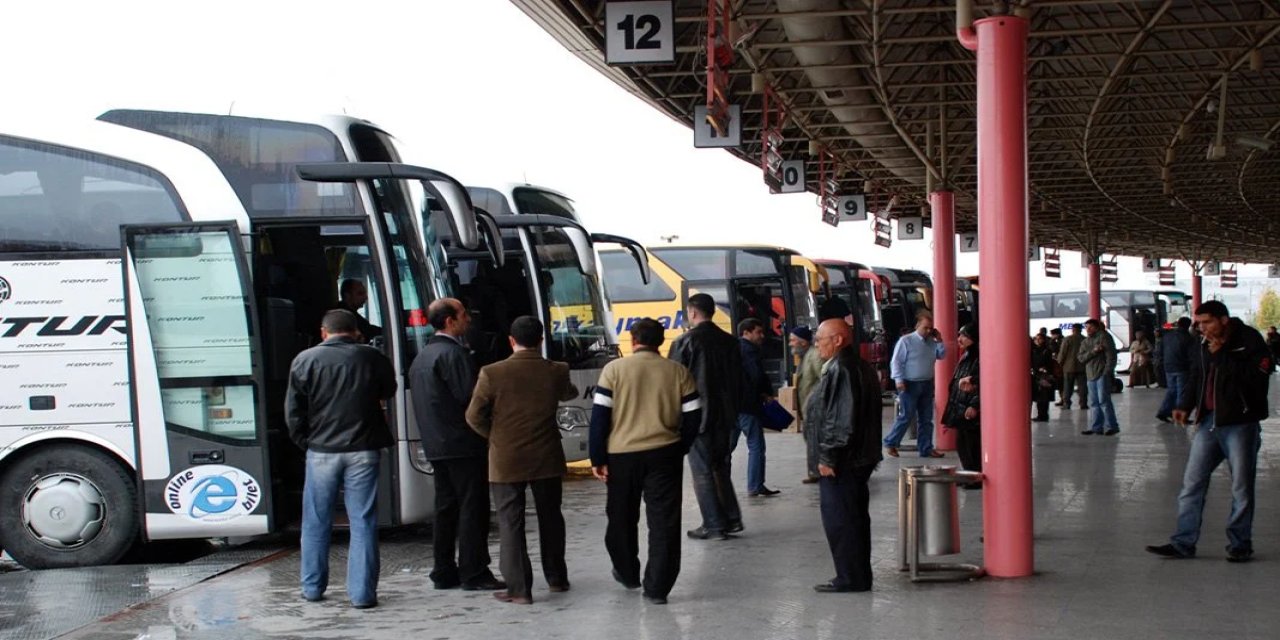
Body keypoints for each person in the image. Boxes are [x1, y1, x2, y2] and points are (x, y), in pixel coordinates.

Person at [285, 309, 397, 609]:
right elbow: (390, 389)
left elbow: (293, 413)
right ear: (355, 331)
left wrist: (307, 443)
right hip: (363, 449)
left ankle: (312, 588)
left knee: (316, 520)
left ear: (324, 332)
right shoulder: (370, 357)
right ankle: (361, 595)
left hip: (321, 451)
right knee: (362, 521)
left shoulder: (304, 360)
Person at [1146, 301, 1272, 563]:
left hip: (1240, 422)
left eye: (1207, 322)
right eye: (1199, 323)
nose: (1202, 328)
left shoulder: (1249, 339)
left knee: (1241, 487)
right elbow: (1197, 376)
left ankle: (1240, 544)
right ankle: (1183, 542)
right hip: (1209, 422)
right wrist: (1185, 405)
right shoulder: (1202, 343)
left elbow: (1255, 377)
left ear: (1224, 320)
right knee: (1192, 483)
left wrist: (1222, 354)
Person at [466, 316, 578, 605]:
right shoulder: (557, 370)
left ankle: (519, 589)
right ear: (541, 340)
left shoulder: (492, 372)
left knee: (510, 521)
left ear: (511, 341)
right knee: (551, 517)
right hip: (547, 455)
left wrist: (495, 436)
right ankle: (556, 578)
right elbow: (569, 393)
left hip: (506, 458)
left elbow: (473, 416)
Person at [590, 318, 702, 605]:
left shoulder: (613, 370)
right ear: (661, 342)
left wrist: (598, 457)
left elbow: (600, 418)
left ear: (632, 340)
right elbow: (693, 415)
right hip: (664, 454)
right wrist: (681, 447)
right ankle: (657, 587)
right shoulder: (678, 372)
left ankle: (628, 573)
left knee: (621, 517)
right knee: (664, 521)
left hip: (621, 456)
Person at [410, 298, 505, 592]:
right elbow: (471, 398)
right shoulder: (455, 355)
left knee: (446, 508)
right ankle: (474, 571)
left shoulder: (422, 356)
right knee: (472, 507)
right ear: (450, 321)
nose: (469, 320)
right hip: (463, 443)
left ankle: (443, 570)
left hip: (437, 443)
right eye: (464, 314)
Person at [808, 318, 882, 593]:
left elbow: (840, 421)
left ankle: (851, 577)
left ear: (838, 340)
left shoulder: (843, 369)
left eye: (820, 340)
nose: (817, 345)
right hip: (859, 457)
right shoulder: (857, 366)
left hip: (844, 460)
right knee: (854, 517)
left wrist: (828, 457)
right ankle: (857, 575)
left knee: (842, 519)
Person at [670, 294, 745, 541]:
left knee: (701, 471)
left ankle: (713, 525)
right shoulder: (730, 342)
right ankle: (732, 519)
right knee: (720, 468)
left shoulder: (684, 342)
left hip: (697, 417)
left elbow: (674, 384)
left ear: (692, 313)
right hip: (727, 415)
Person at [883, 310, 946, 458]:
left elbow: (942, 355)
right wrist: (898, 379)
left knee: (926, 418)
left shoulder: (932, 342)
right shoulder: (906, 341)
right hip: (909, 383)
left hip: (926, 383)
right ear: (917, 325)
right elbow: (896, 361)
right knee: (906, 415)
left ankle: (926, 448)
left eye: (931, 328)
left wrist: (940, 340)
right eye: (925, 327)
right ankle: (891, 442)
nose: (928, 331)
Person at [735, 318, 780, 496]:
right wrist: (765, 393)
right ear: (746, 332)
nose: (762, 336)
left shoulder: (731, 348)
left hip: (732, 406)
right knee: (756, 446)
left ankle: (719, 484)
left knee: (726, 449)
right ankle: (755, 485)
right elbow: (756, 376)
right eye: (758, 332)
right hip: (748, 406)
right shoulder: (750, 351)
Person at [942, 324, 981, 485]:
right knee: (962, 443)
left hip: (969, 406)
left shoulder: (980, 356)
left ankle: (974, 476)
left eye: (964, 335)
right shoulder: (967, 355)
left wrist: (975, 405)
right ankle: (968, 474)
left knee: (972, 444)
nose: (959, 339)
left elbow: (985, 383)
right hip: (960, 404)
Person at [791, 325, 825, 484]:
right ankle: (815, 471)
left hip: (815, 408)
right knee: (811, 439)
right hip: (808, 408)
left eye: (793, 340)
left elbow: (823, 380)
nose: (790, 344)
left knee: (814, 440)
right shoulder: (806, 356)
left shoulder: (815, 356)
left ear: (803, 342)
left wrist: (814, 399)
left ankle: (817, 472)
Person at [1077, 319, 1119, 436]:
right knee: (1094, 402)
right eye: (1086, 327)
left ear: (1097, 327)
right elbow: (1081, 358)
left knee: (1104, 401)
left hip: (1101, 374)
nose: (1088, 330)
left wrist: (1107, 372)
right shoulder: (1085, 342)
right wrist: (1094, 351)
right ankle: (1097, 427)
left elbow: (1111, 356)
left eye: (1090, 327)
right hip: (1090, 374)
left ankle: (1111, 426)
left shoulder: (1104, 337)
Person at [1156, 317, 1195, 423]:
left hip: (1168, 366)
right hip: (1182, 368)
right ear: (1188, 325)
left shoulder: (1167, 336)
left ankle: (1163, 411)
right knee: (1181, 392)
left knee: (1171, 390)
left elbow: (1160, 350)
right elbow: (1191, 355)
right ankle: (1180, 415)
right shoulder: (1188, 338)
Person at [1057, 323, 1087, 409]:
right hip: (1082, 366)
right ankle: (1083, 403)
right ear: (1081, 330)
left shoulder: (1068, 339)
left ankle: (1067, 403)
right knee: (1082, 386)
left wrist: (1059, 363)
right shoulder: (1084, 339)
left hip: (1068, 367)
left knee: (1068, 386)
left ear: (1073, 329)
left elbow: (1062, 353)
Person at [1031, 332, 1055, 422]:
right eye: (1036, 339)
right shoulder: (1034, 350)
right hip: (1037, 375)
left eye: (1039, 339)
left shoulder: (1046, 351)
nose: (1037, 340)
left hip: (1044, 376)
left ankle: (1043, 415)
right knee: (1040, 397)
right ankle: (1041, 415)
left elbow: (1048, 363)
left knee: (1043, 397)